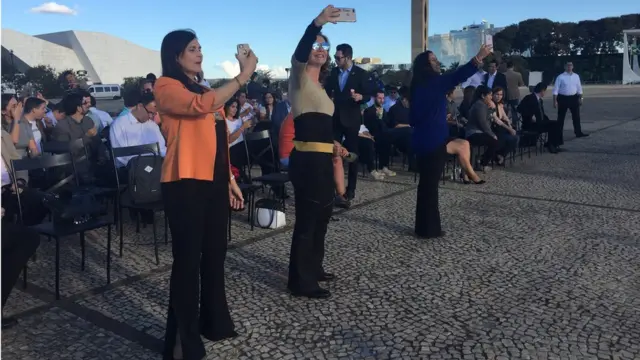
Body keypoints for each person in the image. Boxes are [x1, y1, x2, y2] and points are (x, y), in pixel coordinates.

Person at [153, 29, 257, 360]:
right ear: (176, 56)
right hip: (184, 182)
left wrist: (229, 178)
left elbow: (218, 139)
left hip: (212, 181)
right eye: (192, 49)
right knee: (187, 262)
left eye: (200, 48)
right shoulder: (166, 87)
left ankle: (214, 321)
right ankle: (182, 342)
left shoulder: (206, 89)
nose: (199, 53)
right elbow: (200, 107)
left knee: (215, 254)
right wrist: (243, 76)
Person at [409, 45, 492, 239]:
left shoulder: (417, 86)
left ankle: (423, 227)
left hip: (421, 139)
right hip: (433, 140)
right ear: (426, 66)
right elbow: (458, 75)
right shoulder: (434, 82)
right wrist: (478, 57)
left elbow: (413, 118)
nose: (437, 62)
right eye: (433, 59)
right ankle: (429, 230)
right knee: (430, 188)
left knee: (425, 186)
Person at [287, 5, 341, 299]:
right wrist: (317, 24)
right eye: (316, 45)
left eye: (324, 45)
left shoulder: (321, 87)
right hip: (307, 159)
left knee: (323, 214)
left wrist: (334, 144)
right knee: (308, 218)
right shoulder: (298, 78)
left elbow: (322, 125)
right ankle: (300, 280)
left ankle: (314, 268)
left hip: (322, 157)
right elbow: (299, 52)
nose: (320, 48)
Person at [324, 43, 371, 200]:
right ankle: (334, 187)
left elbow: (368, 95)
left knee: (352, 154)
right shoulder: (334, 73)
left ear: (348, 57)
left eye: (339, 58)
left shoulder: (360, 74)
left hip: (351, 118)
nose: (336, 60)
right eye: (335, 58)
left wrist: (361, 97)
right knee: (333, 152)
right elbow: (326, 91)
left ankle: (351, 189)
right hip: (335, 118)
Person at [518, 82, 562, 153]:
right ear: (542, 91)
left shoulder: (540, 100)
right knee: (554, 125)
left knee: (557, 123)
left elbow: (541, 113)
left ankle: (554, 144)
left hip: (540, 122)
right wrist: (530, 116)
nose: (545, 93)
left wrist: (547, 120)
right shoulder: (529, 98)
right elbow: (519, 109)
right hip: (531, 124)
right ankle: (551, 145)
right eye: (545, 91)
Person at [553, 61, 588, 140]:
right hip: (563, 98)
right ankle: (558, 134)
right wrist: (554, 101)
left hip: (574, 98)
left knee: (576, 117)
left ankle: (578, 132)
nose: (569, 67)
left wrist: (581, 98)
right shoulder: (560, 77)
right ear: (565, 67)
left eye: (571, 65)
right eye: (568, 65)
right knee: (561, 118)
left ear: (573, 66)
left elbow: (579, 88)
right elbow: (556, 89)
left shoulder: (576, 76)